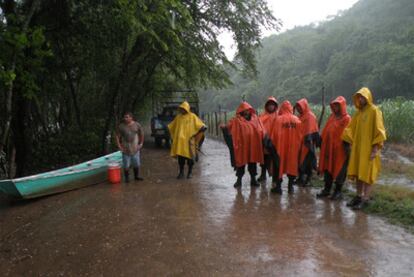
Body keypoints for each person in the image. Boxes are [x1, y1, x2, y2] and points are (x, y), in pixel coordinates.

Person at [342, 87, 386, 210]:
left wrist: (375, 149)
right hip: (358, 149)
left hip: (369, 150)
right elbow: (351, 129)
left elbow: (379, 131)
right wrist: (346, 139)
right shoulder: (359, 113)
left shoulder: (374, 111)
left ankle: (365, 199)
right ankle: (358, 196)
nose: (360, 99)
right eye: (358, 97)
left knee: (367, 174)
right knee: (358, 173)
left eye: (362, 97)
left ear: (367, 97)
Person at [221, 101, 265, 188]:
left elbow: (261, 129)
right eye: (245, 110)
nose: (246, 111)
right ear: (241, 110)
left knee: (253, 163)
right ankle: (239, 180)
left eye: (248, 109)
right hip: (241, 146)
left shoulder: (255, 119)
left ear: (250, 110)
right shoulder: (236, 120)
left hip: (253, 146)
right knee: (240, 163)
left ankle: (253, 179)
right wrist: (224, 127)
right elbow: (229, 127)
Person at [317, 96, 351, 200]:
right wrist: (321, 140)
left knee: (340, 170)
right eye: (334, 105)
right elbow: (327, 129)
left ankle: (338, 191)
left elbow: (348, 135)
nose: (335, 108)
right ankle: (327, 189)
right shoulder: (332, 117)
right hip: (329, 149)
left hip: (341, 150)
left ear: (342, 106)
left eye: (338, 105)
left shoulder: (347, 119)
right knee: (328, 168)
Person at [269, 100, 302, 194]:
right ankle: (290, 187)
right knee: (292, 166)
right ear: (290, 108)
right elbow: (301, 136)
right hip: (293, 149)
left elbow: (273, 136)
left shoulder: (278, 119)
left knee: (278, 166)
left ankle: (278, 187)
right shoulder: (297, 120)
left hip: (280, 149)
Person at [168, 101, 206, 179]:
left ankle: (190, 173)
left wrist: (202, 128)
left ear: (187, 109)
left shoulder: (193, 116)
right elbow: (172, 126)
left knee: (190, 159)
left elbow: (200, 125)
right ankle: (181, 173)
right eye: (181, 108)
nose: (182, 110)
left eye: (183, 108)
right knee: (181, 159)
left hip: (189, 143)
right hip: (180, 143)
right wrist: (169, 128)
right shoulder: (178, 117)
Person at [295, 98, 320, 186]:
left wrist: (309, 140)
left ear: (304, 106)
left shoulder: (310, 116)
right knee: (300, 160)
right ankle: (301, 178)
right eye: (297, 107)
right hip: (300, 142)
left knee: (308, 161)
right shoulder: (300, 116)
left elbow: (312, 129)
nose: (298, 109)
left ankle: (308, 179)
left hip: (308, 143)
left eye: (300, 107)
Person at [116, 112, 144, 183]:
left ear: (131, 118)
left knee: (136, 163)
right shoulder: (121, 126)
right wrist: (119, 145)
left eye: (127, 117)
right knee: (126, 164)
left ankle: (136, 176)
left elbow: (141, 134)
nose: (125, 118)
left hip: (135, 147)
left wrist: (141, 143)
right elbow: (117, 136)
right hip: (125, 147)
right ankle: (127, 178)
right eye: (124, 117)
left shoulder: (137, 125)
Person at [258, 97, 279, 182]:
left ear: (275, 106)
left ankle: (274, 177)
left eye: (272, 105)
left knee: (273, 160)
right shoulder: (262, 116)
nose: (271, 107)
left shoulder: (278, 116)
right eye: (269, 105)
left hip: (274, 142)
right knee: (263, 159)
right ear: (267, 106)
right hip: (264, 141)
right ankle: (263, 175)